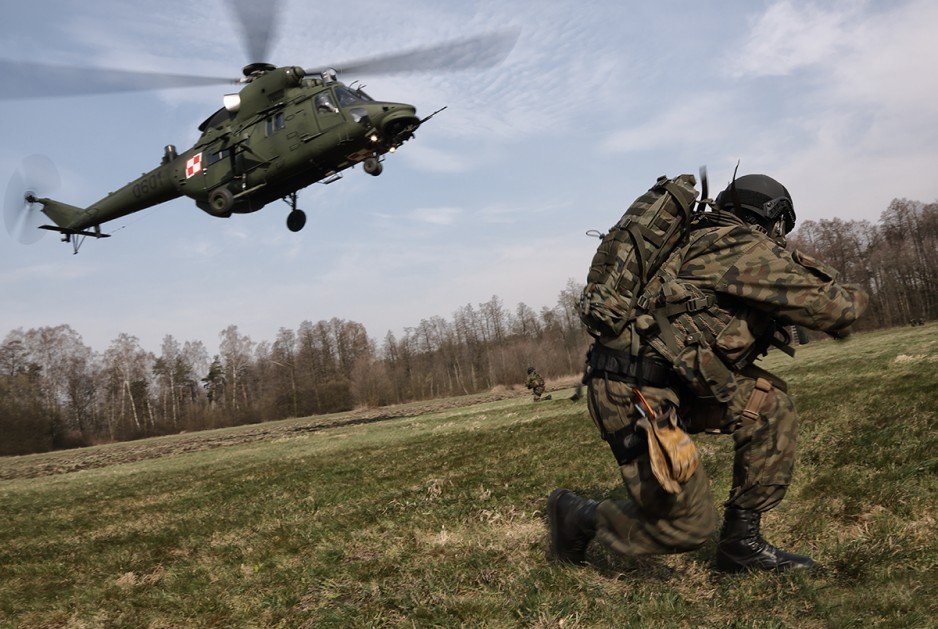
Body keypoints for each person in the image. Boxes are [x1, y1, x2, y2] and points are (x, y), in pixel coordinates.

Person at [548, 173, 868, 572]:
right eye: (782, 226)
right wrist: (847, 287)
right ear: (770, 216)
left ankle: (741, 544)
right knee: (687, 528)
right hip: (637, 393)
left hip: (676, 380)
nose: (781, 237)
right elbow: (839, 309)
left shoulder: (700, 240)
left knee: (768, 405)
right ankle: (580, 516)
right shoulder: (737, 246)